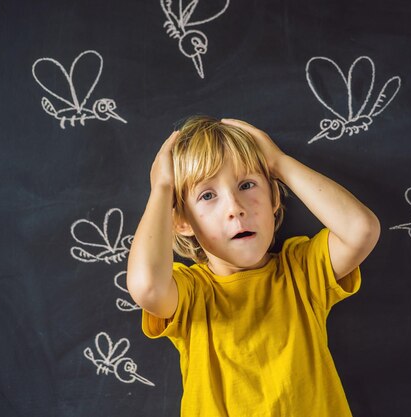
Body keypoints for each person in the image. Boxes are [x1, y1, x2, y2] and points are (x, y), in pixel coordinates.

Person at [127, 116, 380, 416]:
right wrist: (162, 189)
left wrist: (279, 163)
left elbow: (361, 230)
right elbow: (147, 286)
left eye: (247, 185)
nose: (236, 208)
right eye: (208, 196)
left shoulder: (300, 270)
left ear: (274, 197)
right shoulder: (191, 293)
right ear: (182, 221)